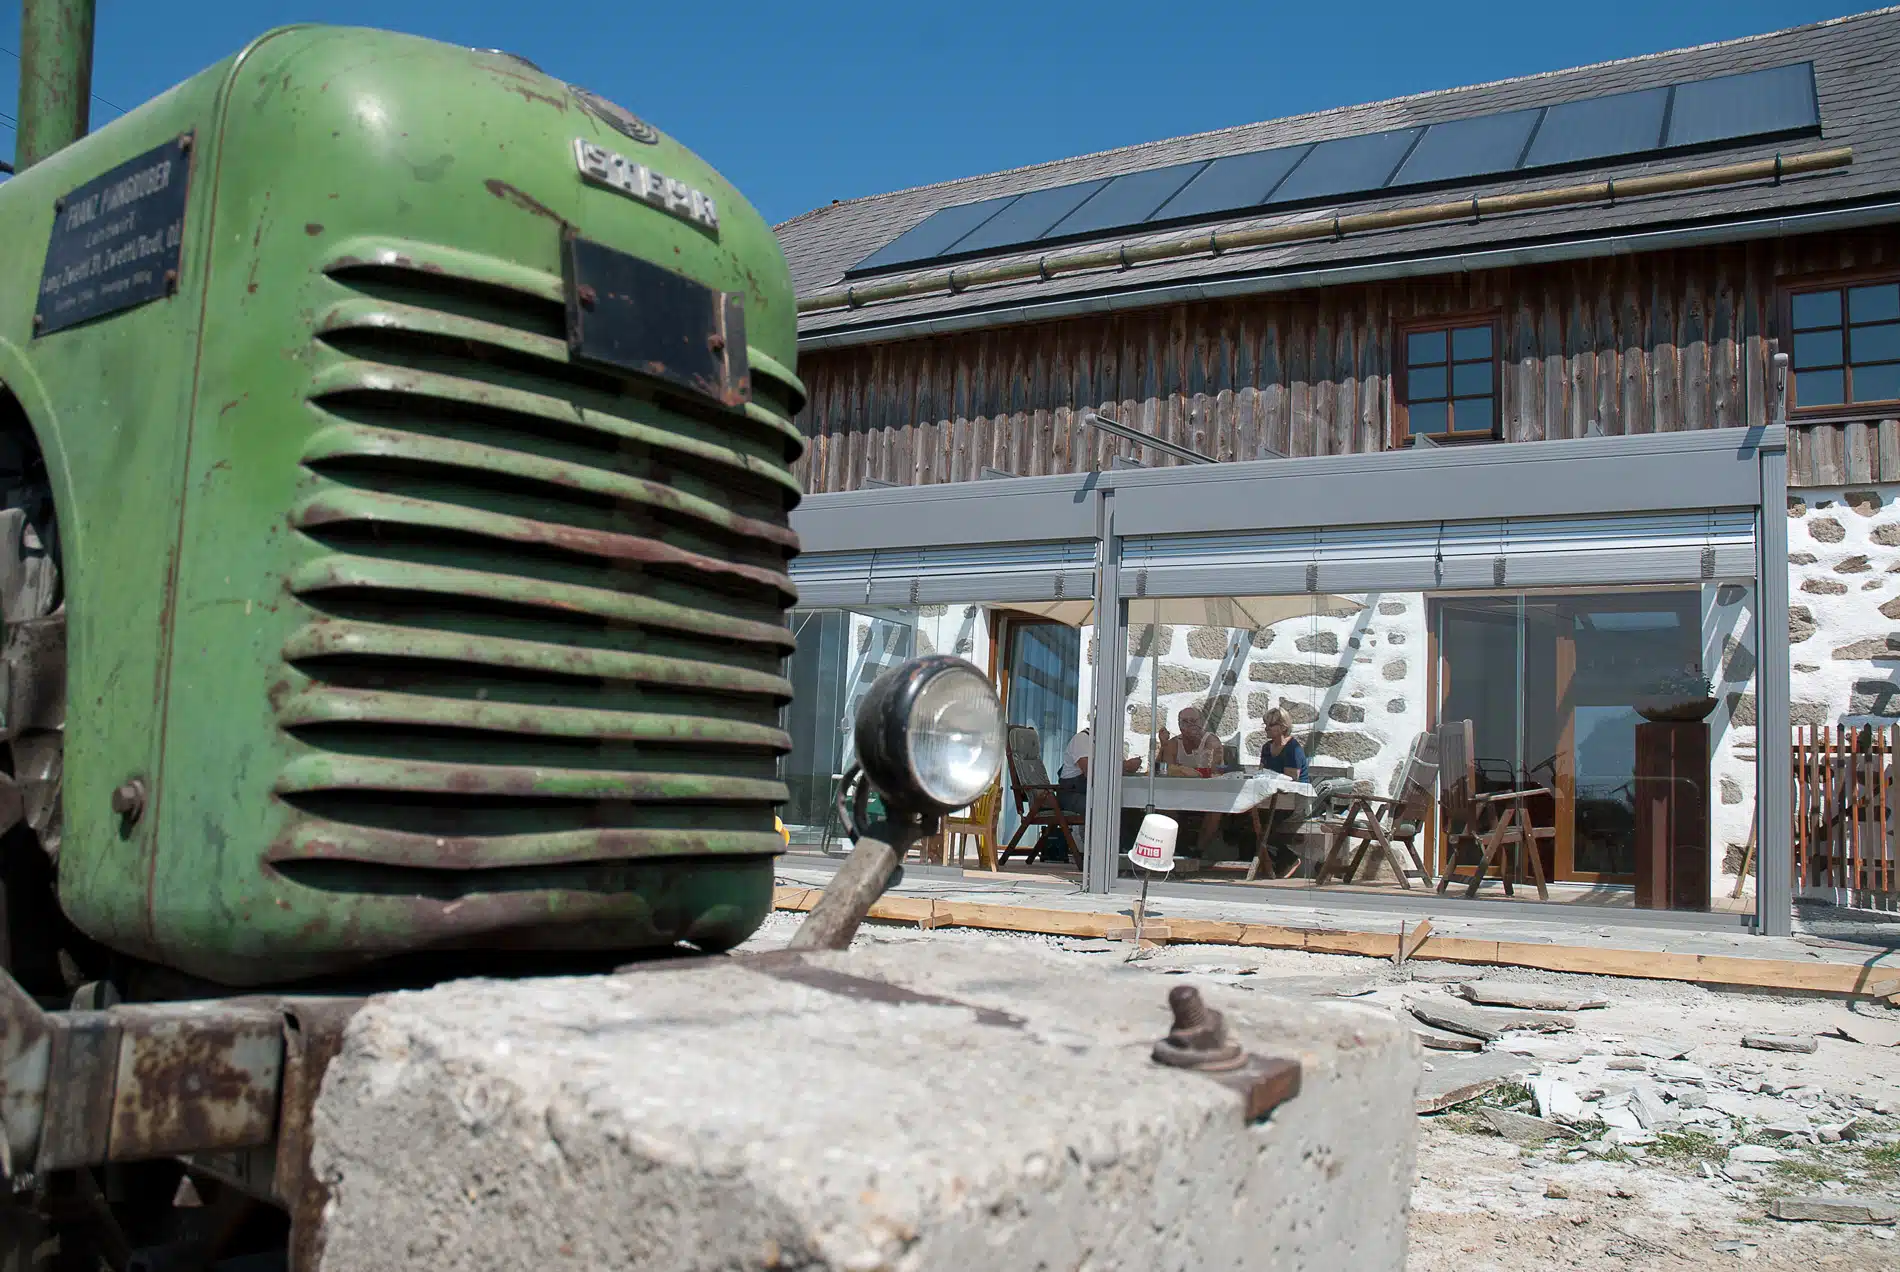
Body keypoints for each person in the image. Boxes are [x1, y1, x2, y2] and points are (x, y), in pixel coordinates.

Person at [1252, 708, 1310, 878]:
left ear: (1283, 727)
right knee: (1246, 820)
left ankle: (1287, 859)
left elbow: (1291, 780)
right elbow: (1262, 773)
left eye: (1271, 725)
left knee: (1264, 823)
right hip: (1271, 798)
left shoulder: (1293, 749)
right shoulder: (1266, 748)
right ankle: (1278, 860)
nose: (1266, 729)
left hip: (1293, 801)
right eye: (1266, 725)